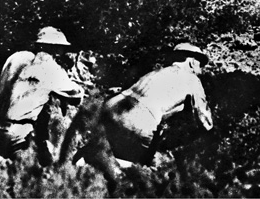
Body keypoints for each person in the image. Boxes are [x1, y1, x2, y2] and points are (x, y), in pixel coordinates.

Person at [71, 43, 213, 192]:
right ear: (191, 61)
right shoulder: (192, 80)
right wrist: (207, 138)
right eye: (201, 64)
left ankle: (87, 164)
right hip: (140, 119)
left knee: (119, 146)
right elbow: (205, 121)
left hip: (112, 107)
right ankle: (125, 185)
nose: (201, 69)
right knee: (163, 166)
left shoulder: (155, 73)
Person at [0, 27, 84, 165]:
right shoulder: (52, 68)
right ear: (56, 49)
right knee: (38, 175)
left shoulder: (16, 57)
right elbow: (76, 97)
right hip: (15, 136)